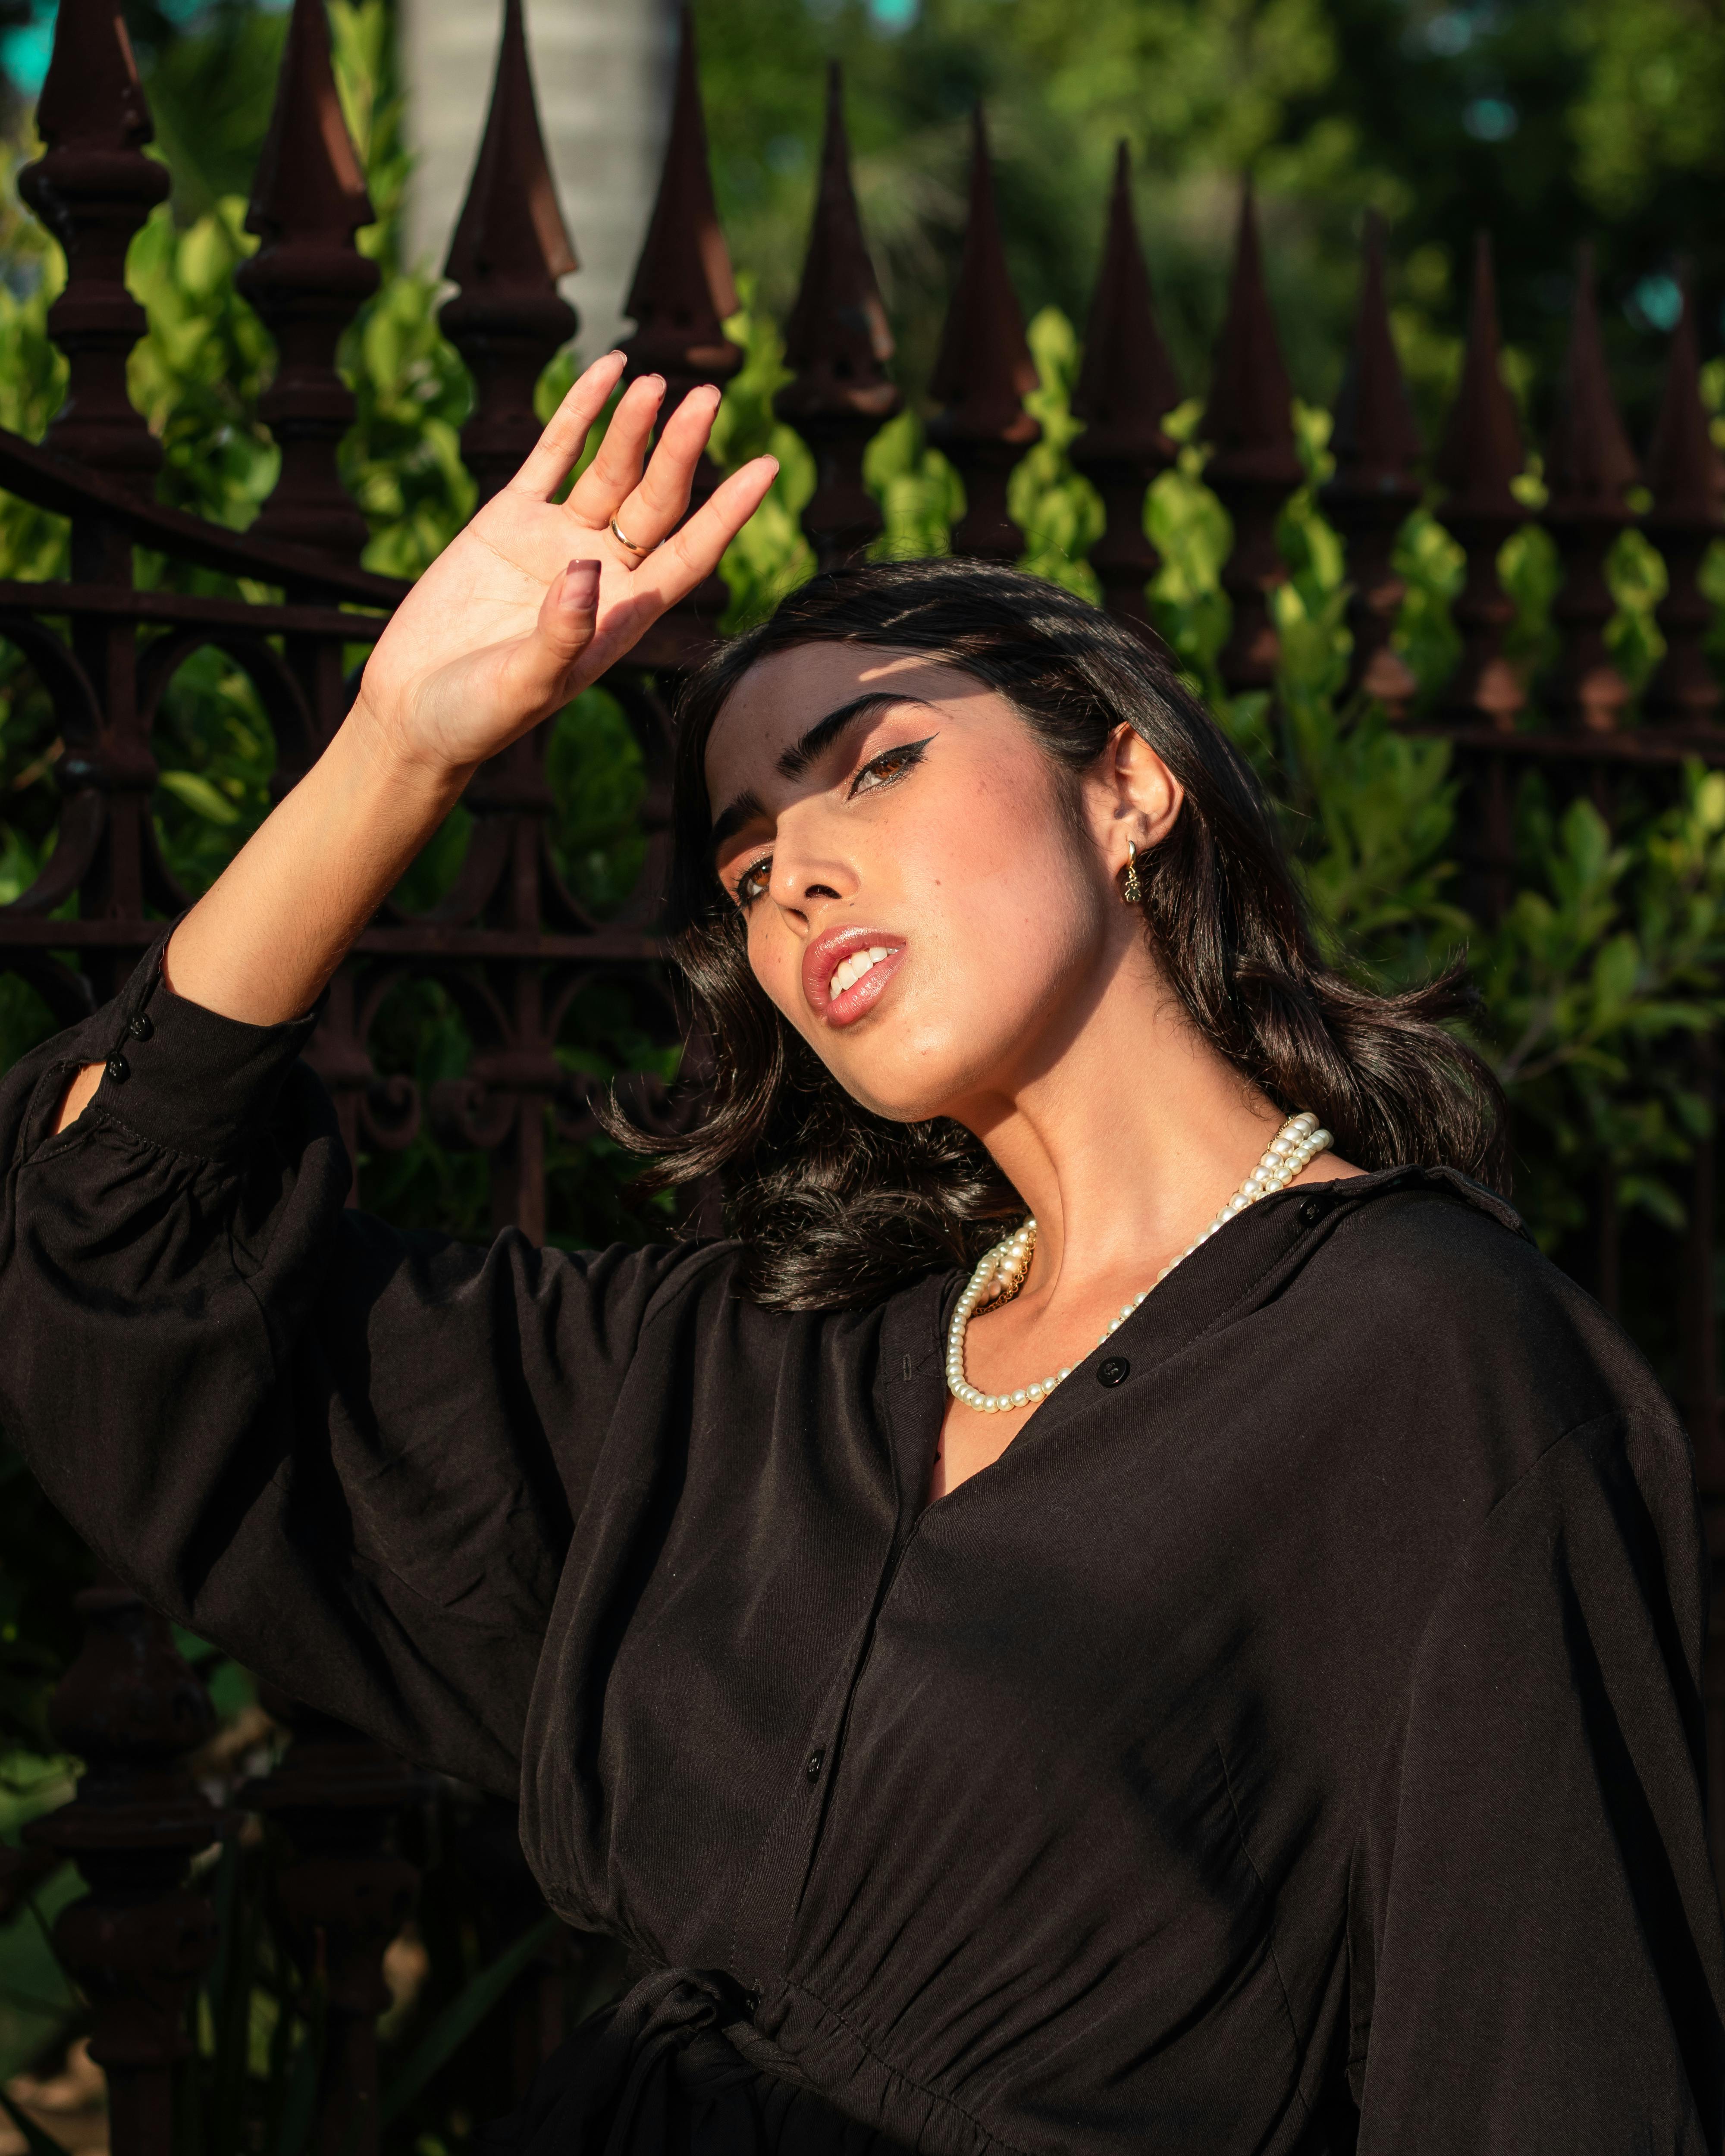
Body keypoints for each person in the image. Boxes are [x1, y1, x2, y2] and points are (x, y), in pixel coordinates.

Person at [1, 350, 1721, 2155]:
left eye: (873, 766)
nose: (795, 871)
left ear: (1126, 786)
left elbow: (1553, 2058)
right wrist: (396, 745)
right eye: (744, 866)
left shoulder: (1432, 1359)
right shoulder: (747, 1369)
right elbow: (113, 1249)